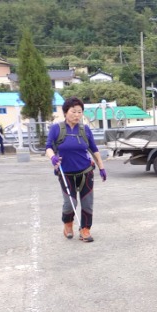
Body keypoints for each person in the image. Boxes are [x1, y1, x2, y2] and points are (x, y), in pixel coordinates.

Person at [45, 97, 107, 242]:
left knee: (87, 203)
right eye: (73, 111)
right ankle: (68, 224)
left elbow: (94, 149)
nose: (77, 115)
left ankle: (85, 230)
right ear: (65, 112)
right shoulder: (56, 129)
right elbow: (48, 147)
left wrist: (101, 167)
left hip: (85, 172)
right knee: (69, 203)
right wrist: (52, 157)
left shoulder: (85, 130)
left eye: (80, 112)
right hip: (65, 173)